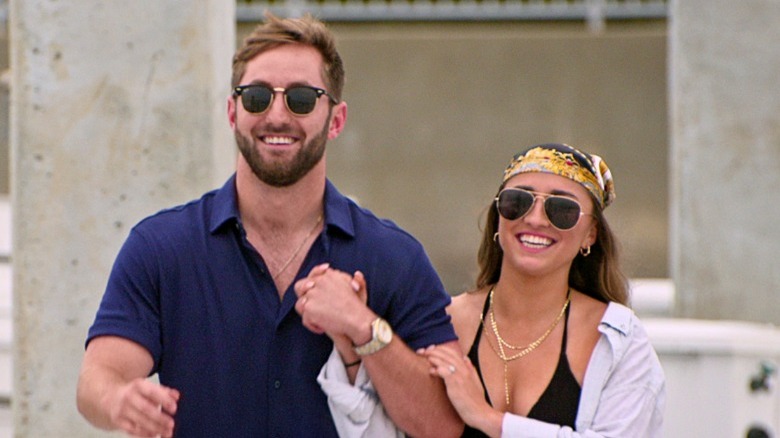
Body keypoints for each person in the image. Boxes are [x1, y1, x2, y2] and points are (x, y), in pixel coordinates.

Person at [76, 13, 463, 438]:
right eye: (257, 97)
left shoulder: (395, 257)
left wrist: (366, 330)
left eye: (301, 98)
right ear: (232, 112)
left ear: (336, 119)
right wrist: (118, 401)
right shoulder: (160, 247)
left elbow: (443, 425)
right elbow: (99, 377)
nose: (276, 116)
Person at [421, 143, 665, 437]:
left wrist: (489, 419)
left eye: (562, 209)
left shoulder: (618, 341)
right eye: (517, 201)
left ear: (590, 234)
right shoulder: (442, 321)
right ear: (498, 217)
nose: (535, 219)